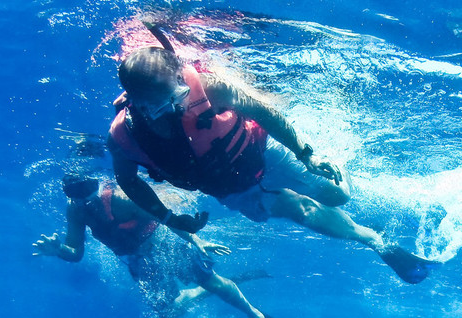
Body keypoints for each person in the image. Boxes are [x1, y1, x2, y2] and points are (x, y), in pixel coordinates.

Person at [106, 31, 438, 285]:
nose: (170, 112)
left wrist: (307, 155)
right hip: (234, 188)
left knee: (339, 194)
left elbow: (264, 111)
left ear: (182, 81)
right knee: (300, 211)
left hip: (261, 150)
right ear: (133, 101)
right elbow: (127, 180)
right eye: (154, 109)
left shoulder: (210, 89)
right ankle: (375, 241)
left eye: (175, 98)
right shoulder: (123, 135)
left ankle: (334, 160)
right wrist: (167, 217)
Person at [33, 173, 315, 318]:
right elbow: (76, 252)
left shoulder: (121, 199)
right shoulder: (76, 210)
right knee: (167, 314)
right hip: (137, 262)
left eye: (86, 197)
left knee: (211, 282)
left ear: (95, 189)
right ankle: (220, 286)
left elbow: (167, 219)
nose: (83, 204)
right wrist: (59, 251)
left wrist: (197, 241)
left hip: (163, 243)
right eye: (76, 198)